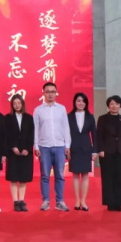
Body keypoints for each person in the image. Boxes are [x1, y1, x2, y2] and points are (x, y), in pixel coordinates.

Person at [33, 82, 72, 212]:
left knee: (60, 175)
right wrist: (36, 146)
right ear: (43, 93)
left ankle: (60, 201)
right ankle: (45, 201)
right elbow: (35, 129)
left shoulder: (61, 109)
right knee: (45, 175)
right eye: (48, 92)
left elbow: (66, 127)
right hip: (44, 146)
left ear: (56, 93)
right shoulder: (38, 110)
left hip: (60, 146)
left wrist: (67, 145)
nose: (50, 94)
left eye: (53, 92)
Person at [97, 95, 121, 212]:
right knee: (108, 177)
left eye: (116, 104)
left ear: (120, 105)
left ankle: (119, 203)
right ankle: (110, 203)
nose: (114, 106)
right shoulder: (102, 119)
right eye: (112, 104)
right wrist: (100, 149)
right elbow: (99, 136)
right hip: (107, 152)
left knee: (120, 177)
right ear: (108, 106)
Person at [68, 92, 98, 211]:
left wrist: (94, 151)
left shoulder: (90, 117)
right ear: (74, 102)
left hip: (86, 149)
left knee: (85, 175)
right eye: (78, 101)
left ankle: (84, 201)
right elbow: (65, 134)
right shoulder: (69, 116)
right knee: (75, 175)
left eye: (83, 101)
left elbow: (94, 135)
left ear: (86, 103)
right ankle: (77, 200)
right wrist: (67, 149)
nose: (81, 103)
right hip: (73, 149)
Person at [4, 94, 34, 212]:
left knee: (23, 177)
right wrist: (13, 147)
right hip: (13, 152)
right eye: (14, 103)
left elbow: (31, 134)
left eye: (19, 103)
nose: (17, 105)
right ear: (12, 105)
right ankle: (15, 201)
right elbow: (6, 135)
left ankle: (21, 201)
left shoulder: (29, 118)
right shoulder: (7, 118)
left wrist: (27, 148)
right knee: (13, 177)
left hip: (26, 152)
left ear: (22, 104)